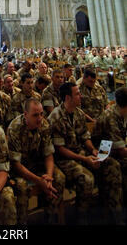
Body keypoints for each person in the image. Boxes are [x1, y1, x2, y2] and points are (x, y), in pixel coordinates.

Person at [48, 82, 124, 224]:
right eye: (77, 93)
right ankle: (82, 216)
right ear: (68, 98)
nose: (80, 95)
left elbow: (85, 137)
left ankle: (113, 212)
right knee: (87, 179)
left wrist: (94, 151)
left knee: (112, 165)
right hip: (64, 160)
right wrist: (84, 158)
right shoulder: (56, 117)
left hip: (81, 153)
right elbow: (60, 149)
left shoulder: (78, 112)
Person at [7, 98, 65, 224]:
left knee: (59, 177)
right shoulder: (15, 128)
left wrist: (48, 176)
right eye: (35, 115)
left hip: (38, 166)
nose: (39, 118)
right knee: (22, 187)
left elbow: (48, 154)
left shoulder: (44, 124)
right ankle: (22, 222)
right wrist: (39, 181)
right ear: (25, 115)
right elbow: (16, 165)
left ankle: (51, 217)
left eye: (41, 114)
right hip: (20, 170)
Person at [92, 87, 127, 203]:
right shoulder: (111, 116)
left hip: (114, 149)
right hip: (101, 152)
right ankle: (116, 213)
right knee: (114, 168)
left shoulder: (121, 114)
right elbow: (121, 150)